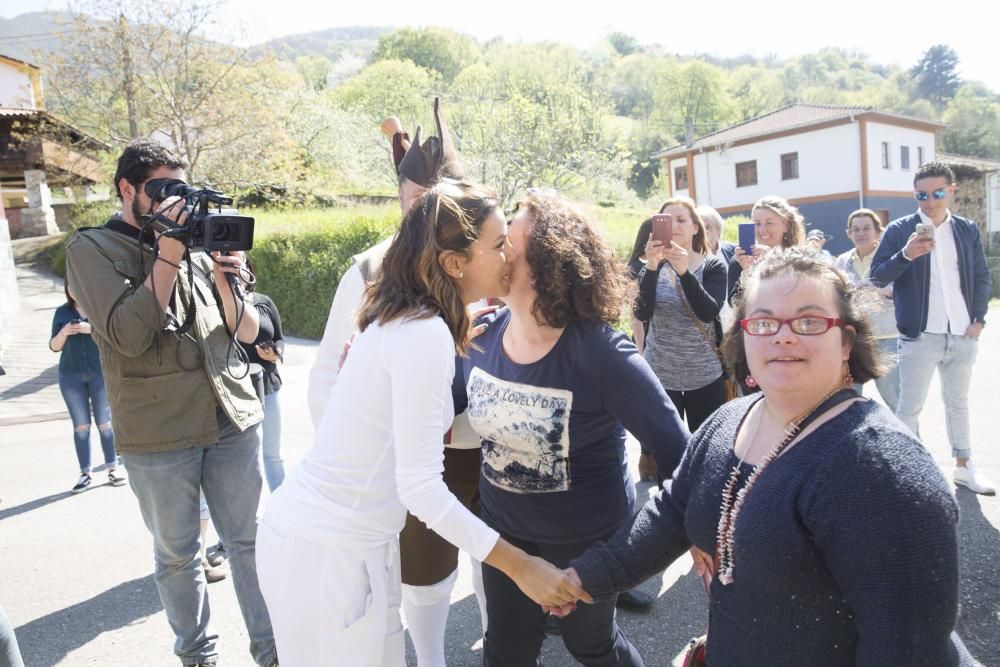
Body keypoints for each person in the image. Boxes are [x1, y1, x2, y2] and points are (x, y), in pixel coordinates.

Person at [566, 246, 971, 665]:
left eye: (810, 321)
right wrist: (583, 578)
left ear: (846, 341)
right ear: (742, 335)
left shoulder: (881, 472)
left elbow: (905, 648)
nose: (784, 335)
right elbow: (672, 513)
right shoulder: (729, 420)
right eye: (763, 322)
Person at [257, 181, 590, 666]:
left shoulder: (413, 317)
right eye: (498, 246)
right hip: (330, 556)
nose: (510, 254)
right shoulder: (422, 333)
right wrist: (521, 567)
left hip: (343, 547)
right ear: (454, 264)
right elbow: (421, 488)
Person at [65, 140, 276, 667]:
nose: (173, 202)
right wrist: (169, 252)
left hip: (231, 416)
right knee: (179, 556)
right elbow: (129, 334)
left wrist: (231, 276)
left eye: (179, 189)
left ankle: (273, 651)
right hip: (158, 434)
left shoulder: (198, 245)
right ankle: (198, 655)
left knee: (250, 543)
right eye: (161, 190)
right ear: (127, 189)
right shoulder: (91, 249)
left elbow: (243, 331)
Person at [455, 191, 689, 666]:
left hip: (587, 546)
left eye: (505, 244)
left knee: (592, 646)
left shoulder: (603, 354)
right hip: (504, 537)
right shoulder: (480, 336)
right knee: (506, 651)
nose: (492, 253)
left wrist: (629, 556)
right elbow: (440, 416)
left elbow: (682, 458)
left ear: (546, 265)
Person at [306, 100, 493, 666]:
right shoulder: (369, 271)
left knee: (493, 559)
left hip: (489, 445)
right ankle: (431, 657)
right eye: (419, 203)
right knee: (425, 573)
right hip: (415, 457)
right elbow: (325, 383)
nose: (431, 218)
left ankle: (500, 647)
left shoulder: (494, 262)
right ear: (403, 201)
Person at [871, 161, 995, 496]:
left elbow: (982, 276)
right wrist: (907, 254)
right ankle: (904, 471)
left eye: (937, 192)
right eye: (921, 194)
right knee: (909, 407)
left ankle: (964, 466)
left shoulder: (966, 229)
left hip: (962, 333)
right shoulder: (900, 230)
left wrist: (979, 319)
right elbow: (877, 276)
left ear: (951, 190)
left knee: (958, 402)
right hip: (920, 334)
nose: (929, 200)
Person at [634, 197, 728, 432]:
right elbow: (641, 311)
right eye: (667, 220)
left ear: (695, 227)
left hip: (705, 374)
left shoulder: (713, 266)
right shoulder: (651, 267)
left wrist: (684, 272)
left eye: (681, 220)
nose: (674, 226)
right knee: (667, 451)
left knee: (706, 447)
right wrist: (653, 266)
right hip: (661, 375)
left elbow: (707, 312)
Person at [49, 282, 126, 493]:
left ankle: (113, 469)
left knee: (104, 423)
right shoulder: (61, 312)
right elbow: (54, 346)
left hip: (100, 374)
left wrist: (89, 328)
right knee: (81, 426)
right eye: (70, 286)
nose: (74, 290)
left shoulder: (97, 307)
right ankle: (85, 474)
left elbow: (112, 337)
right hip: (70, 377)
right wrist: (64, 332)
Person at [835, 209, 900, 412]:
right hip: (854, 340)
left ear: (878, 232)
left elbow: (907, 289)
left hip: (887, 338)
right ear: (849, 233)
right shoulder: (842, 261)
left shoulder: (891, 258)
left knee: (898, 402)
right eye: (855, 229)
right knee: (848, 402)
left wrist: (884, 291)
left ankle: (910, 441)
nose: (860, 233)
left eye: (866, 228)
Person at [240, 256, 286, 492]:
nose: (239, 271)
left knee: (272, 453)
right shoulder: (223, 304)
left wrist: (275, 353)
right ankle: (251, 513)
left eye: (244, 266)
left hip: (268, 386)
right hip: (240, 392)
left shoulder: (264, 302)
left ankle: (283, 507)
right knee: (248, 456)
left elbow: (280, 339)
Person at [727, 195, 805, 304]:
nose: (762, 230)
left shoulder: (802, 258)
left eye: (769, 223)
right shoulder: (740, 260)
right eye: (757, 223)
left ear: (786, 225)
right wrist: (748, 271)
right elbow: (735, 304)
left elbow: (801, 295)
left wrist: (773, 261)